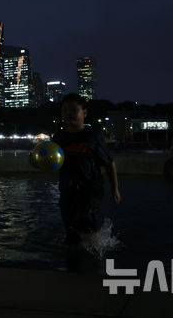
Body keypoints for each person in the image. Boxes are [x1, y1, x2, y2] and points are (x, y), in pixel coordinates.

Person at [53, 94, 120, 246]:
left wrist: (115, 189)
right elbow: (50, 161)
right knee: (70, 229)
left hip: (90, 189)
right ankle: (74, 262)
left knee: (86, 222)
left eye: (73, 110)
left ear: (85, 113)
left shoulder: (93, 136)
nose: (68, 114)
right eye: (64, 111)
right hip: (67, 190)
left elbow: (109, 163)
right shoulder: (58, 137)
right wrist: (35, 160)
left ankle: (95, 259)